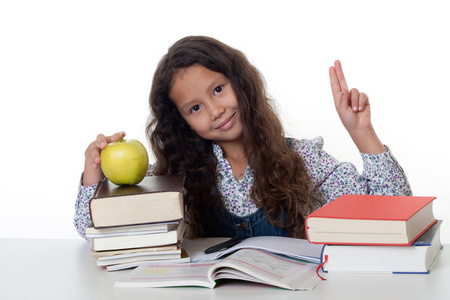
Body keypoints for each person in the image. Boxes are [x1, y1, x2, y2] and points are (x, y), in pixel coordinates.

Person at [74, 36, 412, 240]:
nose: (215, 110)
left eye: (218, 89)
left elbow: (394, 213)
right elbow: (93, 229)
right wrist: (95, 171)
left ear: (241, 82)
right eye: (195, 108)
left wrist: (362, 132)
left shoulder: (305, 160)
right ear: (182, 123)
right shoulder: (172, 177)